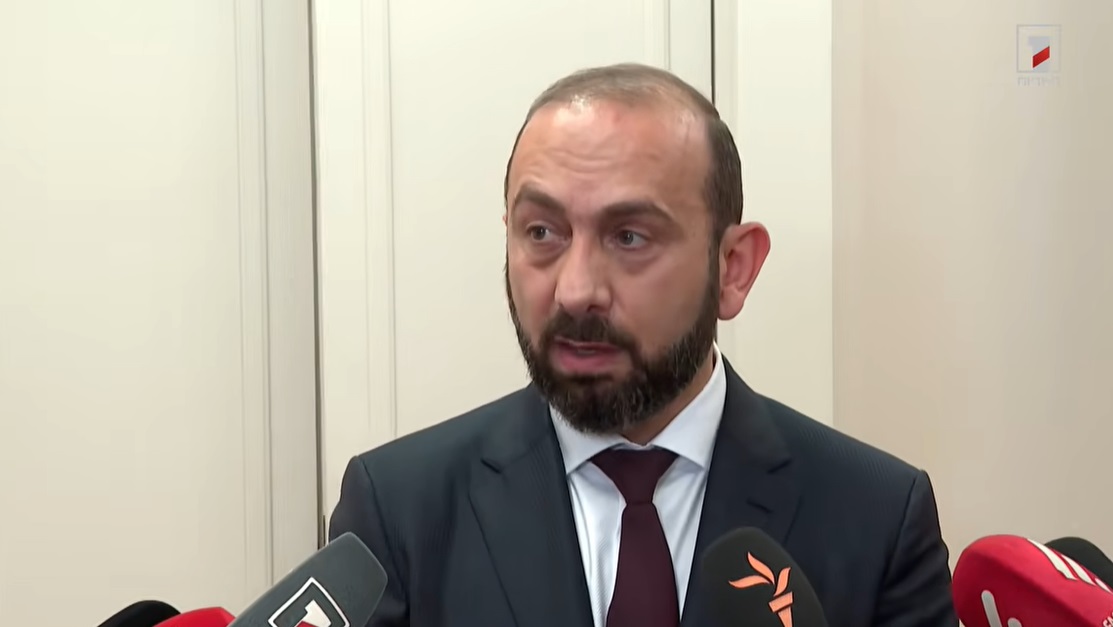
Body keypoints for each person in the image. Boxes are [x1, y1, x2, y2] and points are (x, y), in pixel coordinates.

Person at [329, 63, 957, 627]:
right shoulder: (398, 511)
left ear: (733, 268)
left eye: (629, 237)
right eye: (542, 232)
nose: (576, 291)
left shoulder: (876, 517)